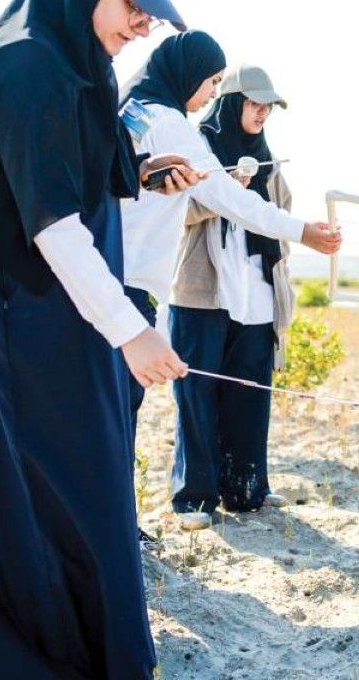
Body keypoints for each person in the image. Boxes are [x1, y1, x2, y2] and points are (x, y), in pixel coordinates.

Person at [0, 0, 188, 680]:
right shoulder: (25, 65)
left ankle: (90, 650)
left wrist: (140, 174)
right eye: (132, 6)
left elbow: (70, 167)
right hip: (30, 306)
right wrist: (133, 332)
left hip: (63, 298)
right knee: (56, 482)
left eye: (151, 16)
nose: (141, 26)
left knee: (88, 478)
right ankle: (50, 661)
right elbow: (48, 224)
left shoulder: (76, 61)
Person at [118, 36, 341, 450]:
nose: (212, 93)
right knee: (121, 410)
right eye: (212, 81)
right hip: (133, 282)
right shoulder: (170, 124)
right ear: (188, 74)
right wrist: (302, 231)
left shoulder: (133, 110)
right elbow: (229, 199)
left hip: (113, 275)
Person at [168, 65, 301, 529]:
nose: (263, 113)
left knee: (250, 391)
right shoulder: (192, 148)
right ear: (230, 102)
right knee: (196, 391)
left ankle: (247, 490)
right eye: (254, 103)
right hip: (202, 290)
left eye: (268, 106)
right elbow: (173, 214)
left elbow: (281, 217)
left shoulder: (267, 159)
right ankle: (194, 499)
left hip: (257, 291)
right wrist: (223, 192)